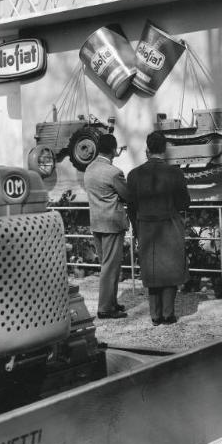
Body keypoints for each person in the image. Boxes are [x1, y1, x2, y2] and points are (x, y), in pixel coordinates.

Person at [127, 131, 190, 325]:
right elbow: (184, 203)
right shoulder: (175, 173)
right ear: (165, 150)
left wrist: (137, 230)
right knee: (170, 269)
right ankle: (168, 314)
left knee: (151, 269)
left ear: (147, 149)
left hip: (145, 225)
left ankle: (154, 315)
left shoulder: (134, 174)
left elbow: (131, 207)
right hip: (169, 224)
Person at [83, 133, 130, 319]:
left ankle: (111, 302)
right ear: (113, 149)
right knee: (111, 266)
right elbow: (127, 195)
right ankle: (105, 308)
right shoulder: (114, 172)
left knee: (107, 264)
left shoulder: (89, 169)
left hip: (96, 222)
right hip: (112, 223)